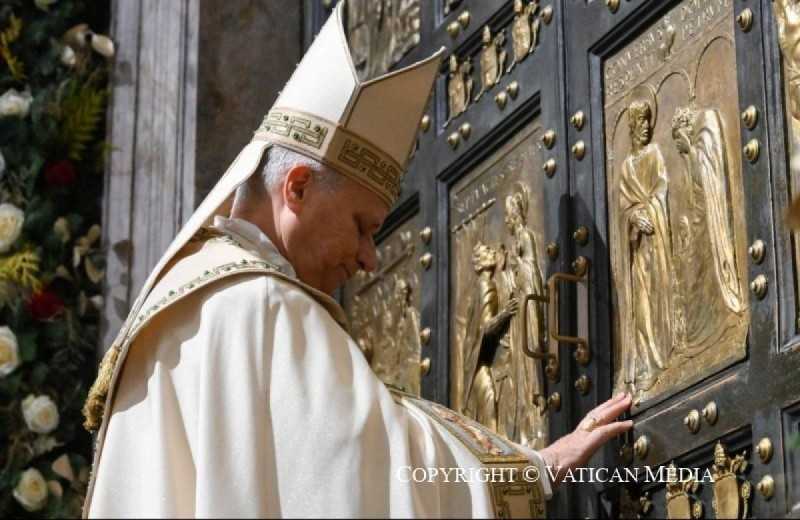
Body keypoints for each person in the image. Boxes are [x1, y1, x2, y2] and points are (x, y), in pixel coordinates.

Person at [81, 3, 632, 517]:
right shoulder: (263, 304)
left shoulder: (180, 304)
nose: (370, 258)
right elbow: (373, 466)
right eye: (363, 227)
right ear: (297, 188)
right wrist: (536, 468)